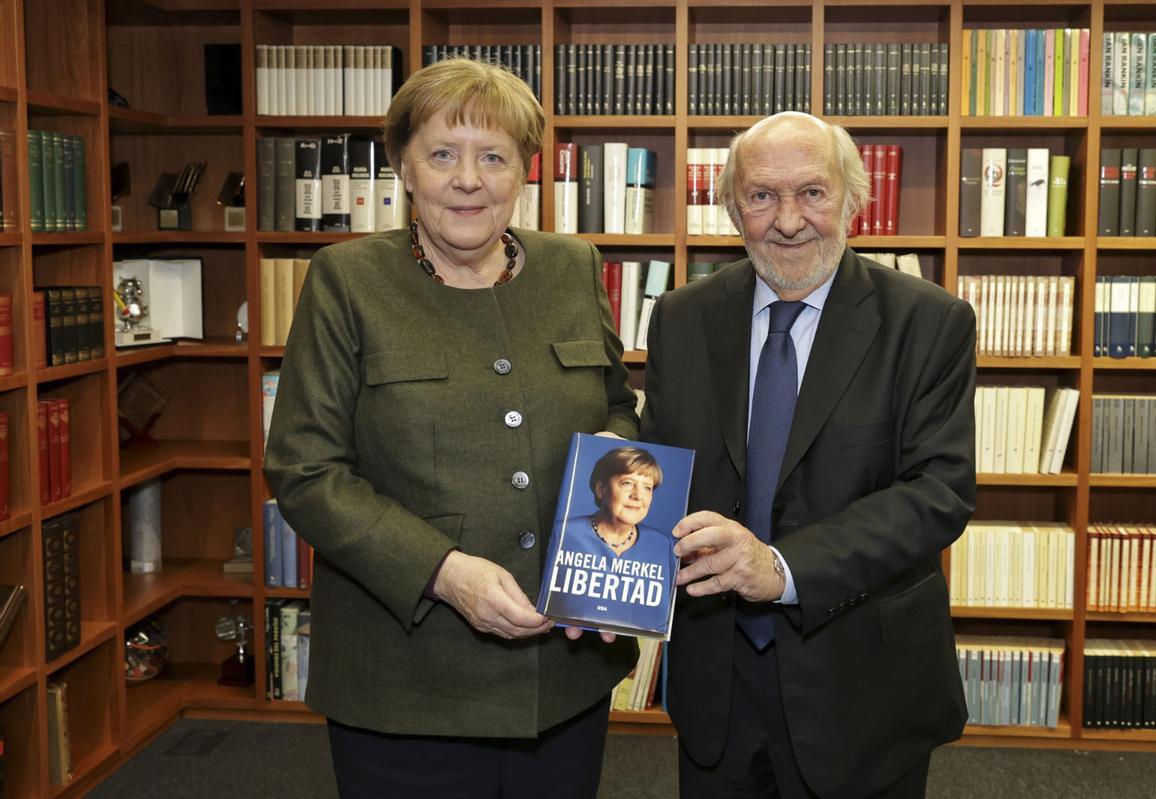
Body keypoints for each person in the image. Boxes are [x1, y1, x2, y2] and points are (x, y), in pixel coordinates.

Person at [263, 58, 638, 798]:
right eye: (442, 154)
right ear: (404, 167)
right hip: (406, 682)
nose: (468, 179)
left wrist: (611, 551)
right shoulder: (346, 279)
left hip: (561, 675)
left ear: (524, 171)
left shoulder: (572, 266)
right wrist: (443, 570)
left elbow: (616, 411)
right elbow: (306, 470)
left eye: (493, 156)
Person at [642, 111, 976, 798]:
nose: (788, 220)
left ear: (855, 199)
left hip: (862, 685)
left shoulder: (929, 322)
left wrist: (782, 567)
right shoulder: (680, 317)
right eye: (762, 195)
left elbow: (938, 492)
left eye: (813, 193)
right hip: (717, 686)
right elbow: (658, 466)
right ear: (733, 207)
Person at [547, 446, 677, 634]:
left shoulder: (663, 546)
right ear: (601, 489)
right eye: (627, 483)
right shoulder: (563, 534)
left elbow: (658, 622)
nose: (637, 496)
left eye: (647, 487)